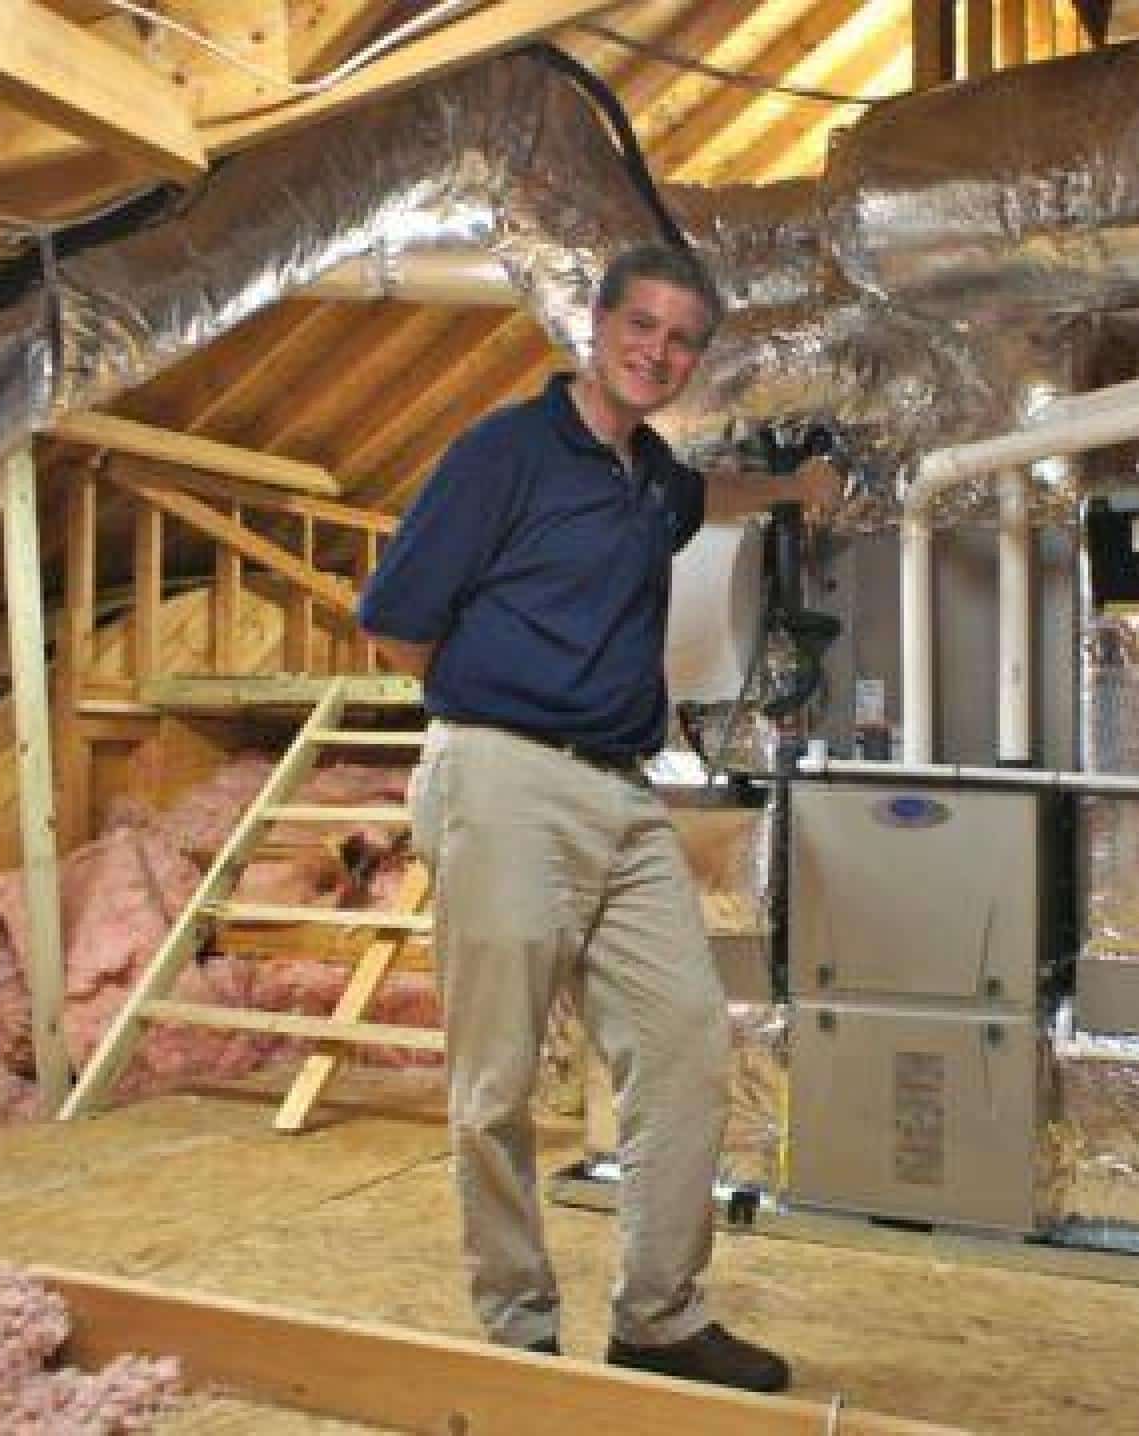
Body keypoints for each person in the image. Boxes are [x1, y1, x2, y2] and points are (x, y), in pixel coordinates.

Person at [356, 243, 795, 1393]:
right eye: (639, 324)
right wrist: (503, 703)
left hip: (621, 791)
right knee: (496, 1082)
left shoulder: (650, 475)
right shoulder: (504, 451)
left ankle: (658, 1317)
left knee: (688, 1045)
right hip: (503, 775)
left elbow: (707, 498)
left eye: (682, 337)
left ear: (697, 358)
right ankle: (519, 1332)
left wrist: (797, 493)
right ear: (594, 325)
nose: (657, 349)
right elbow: (398, 621)